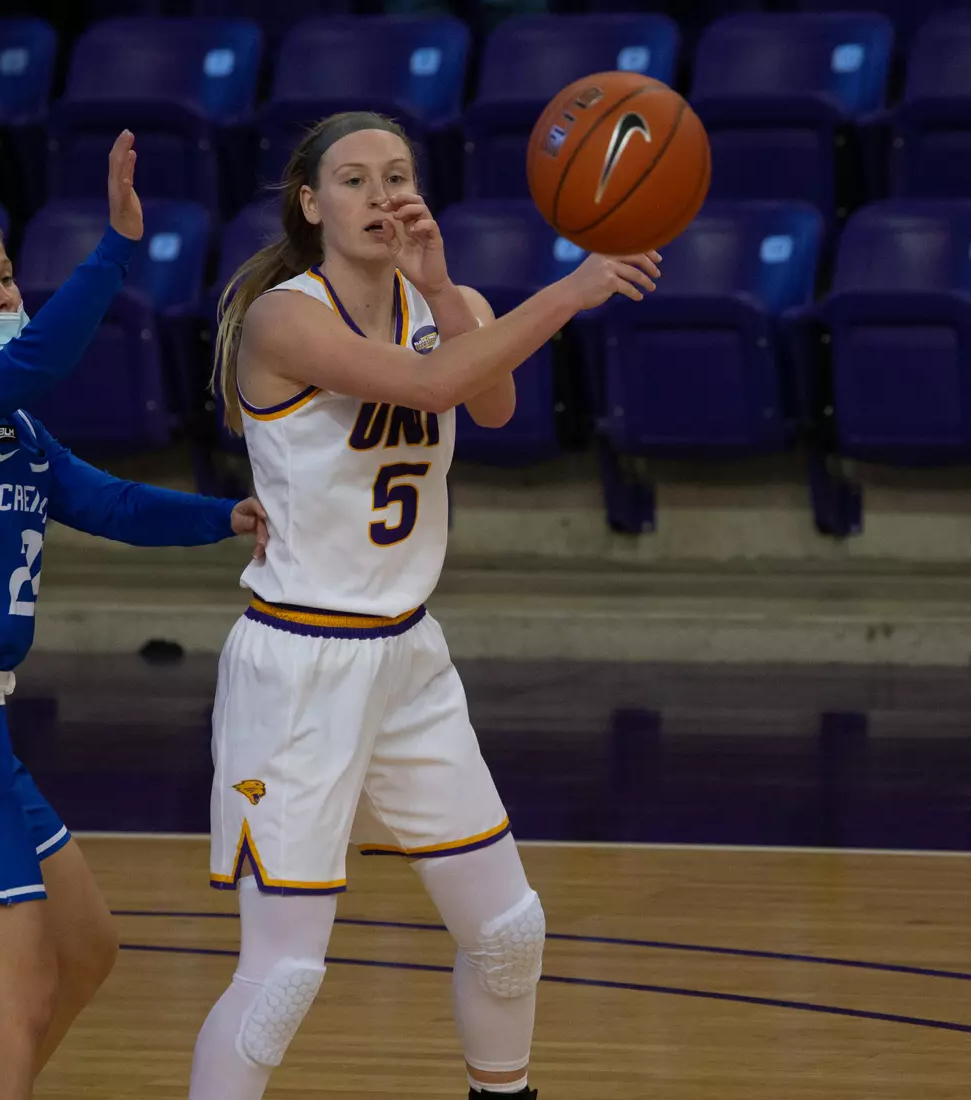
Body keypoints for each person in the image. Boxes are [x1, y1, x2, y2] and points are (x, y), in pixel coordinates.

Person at [190, 111, 660, 1100]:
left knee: (508, 927)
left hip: (408, 655)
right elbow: (435, 379)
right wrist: (574, 287)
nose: (379, 194)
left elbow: (490, 405)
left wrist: (444, 284)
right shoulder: (286, 315)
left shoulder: (439, 302)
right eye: (353, 179)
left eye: (395, 175)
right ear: (312, 204)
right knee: (284, 974)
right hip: (301, 662)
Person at [0, 131, 268, 1100]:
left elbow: (109, 501)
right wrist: (114, 247)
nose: (6, 297)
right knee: (17, 988)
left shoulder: (12, 428)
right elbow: (37, 358)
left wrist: (226, 518)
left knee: (85, 951)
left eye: (8, 278)